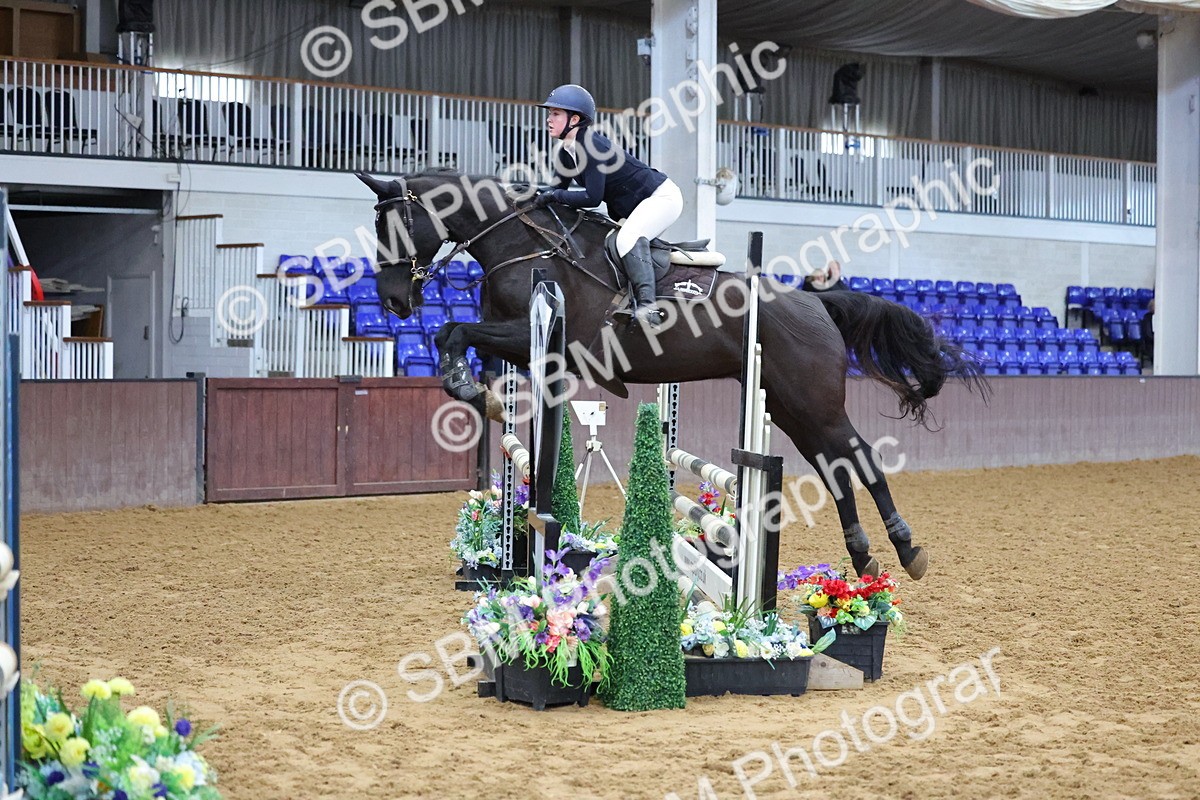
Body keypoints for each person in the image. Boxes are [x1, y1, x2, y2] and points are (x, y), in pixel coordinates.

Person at [531, 84, 684, 328]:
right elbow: (557, 190)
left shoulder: (592, 147)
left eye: (555, 114)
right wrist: (532, 195)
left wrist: (554, 195)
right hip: (638, 204)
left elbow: (592, 198)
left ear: (575, 119)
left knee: (627, 239)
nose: (548, 119)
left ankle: (648, 308)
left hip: (662, 198)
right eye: (549, 114)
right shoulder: (566, 152)